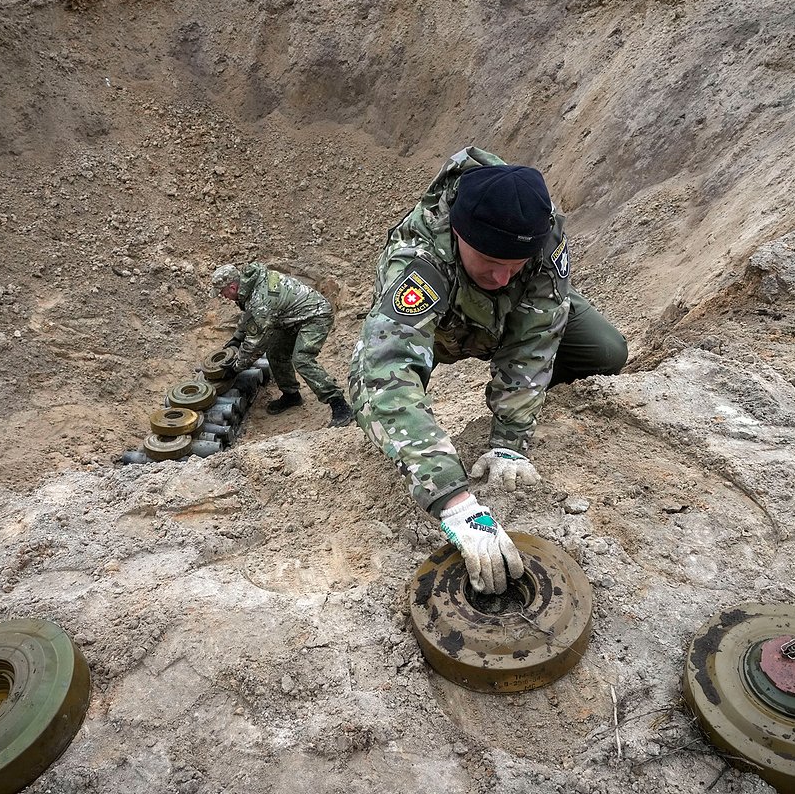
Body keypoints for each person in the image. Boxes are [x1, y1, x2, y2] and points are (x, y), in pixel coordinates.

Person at [349, 147, 628, 594]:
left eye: (514, 267)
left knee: (605, 350)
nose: (503, 276)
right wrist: (455, 501)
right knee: (387, 397)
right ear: (461, 234)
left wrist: (509, 441)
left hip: (507, 319)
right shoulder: (420, 258)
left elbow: (538, 331)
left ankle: (523, 409)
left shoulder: (540, 226)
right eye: (491, 264)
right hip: (442, 326)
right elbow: (384, 373)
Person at [211, 261, 354, 428]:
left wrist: (235, 367)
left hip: (316, 316)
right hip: (292, 317)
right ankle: (291, 395)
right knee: (275, 353)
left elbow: (255, 344)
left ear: (233, 287)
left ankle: (339, 404)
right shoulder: (251, 284)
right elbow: (251, 316)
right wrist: (237, 337)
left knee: (302, 359)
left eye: (222, 293)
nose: (224, 297)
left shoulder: (261, 300)